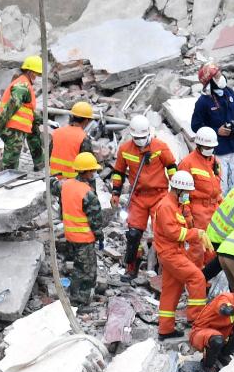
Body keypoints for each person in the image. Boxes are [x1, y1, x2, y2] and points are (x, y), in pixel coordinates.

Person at [111, 114, 178, 281]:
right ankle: (131, 268)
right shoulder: (125, 149)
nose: (139, 141)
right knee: (133, 235)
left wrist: (176, 191)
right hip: (138, 197)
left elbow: (171, 167)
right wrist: (115, 193)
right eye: (136, 138)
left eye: (142, 137)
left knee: (163, 233)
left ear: (148, 133)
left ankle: (165, 272)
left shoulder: (160, 147)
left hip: (159, 196)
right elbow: (118, 172)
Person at [152, 170, 209, 339]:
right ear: (178, 190)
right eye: (187, 192)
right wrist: (196, 234)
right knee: (197, 278)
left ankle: (165, 329)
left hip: (173, 252)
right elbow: (173, 232)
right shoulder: (166, 206)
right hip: (171, 253)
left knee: (172, 290)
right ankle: (196, 319)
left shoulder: (175, 204)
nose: (189, 195)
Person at [191, 63, 234, 193]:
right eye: (216, 75)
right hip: (219, 150)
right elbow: (196, 126)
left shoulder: (228, 92)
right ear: (209, 81)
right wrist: (216, 131)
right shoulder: (203, 102)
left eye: (220, 73)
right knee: (222, 185)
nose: (221, 77)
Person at [50, 152, 105, 305]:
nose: (94, 173)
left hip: (70, 236)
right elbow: (95, 221)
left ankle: (76, 296)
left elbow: (53, 186)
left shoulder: (66, 185)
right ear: (87, 171)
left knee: (77, 268)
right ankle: (80, 301)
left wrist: (51, 179)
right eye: (92, 170)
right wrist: (100, 237)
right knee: (86, 272)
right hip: (84, 239)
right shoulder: (88, 193)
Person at [0, 55, 45, 171]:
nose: (36, 77)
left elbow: (26, 109)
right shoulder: (22, 85)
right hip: (12, 128)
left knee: (34, 134)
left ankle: (40, 163)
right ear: (30, 72)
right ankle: (4, 181)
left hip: (18, 126)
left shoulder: (24, 84)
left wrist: (42, 120)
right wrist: (0, 123)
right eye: (36, 74)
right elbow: (13, 104)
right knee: (11, 161)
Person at [178, 127, 223, 230]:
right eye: (207, 147)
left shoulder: (216, 163)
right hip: (198, 213)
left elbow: (217, 188)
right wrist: (187, 214)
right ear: (199, 145)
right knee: (200, 244)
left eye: (211, 147)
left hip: (215, 210)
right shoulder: (187, 163)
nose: (209, 150)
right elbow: (182, 194)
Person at [48, 101, 96, 178]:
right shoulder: (83, 138)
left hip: (54, 179)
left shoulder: (57, 132)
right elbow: (87, 168)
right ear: (86, 120)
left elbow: (49, 156)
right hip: (72, 182)